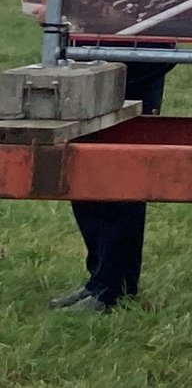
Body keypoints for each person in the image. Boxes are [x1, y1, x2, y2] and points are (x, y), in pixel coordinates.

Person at [46, 47, 172, 314]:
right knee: (85, 168)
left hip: (135, 53)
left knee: (118, 174)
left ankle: (112, 288)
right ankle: (101, 280)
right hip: (88, 54)